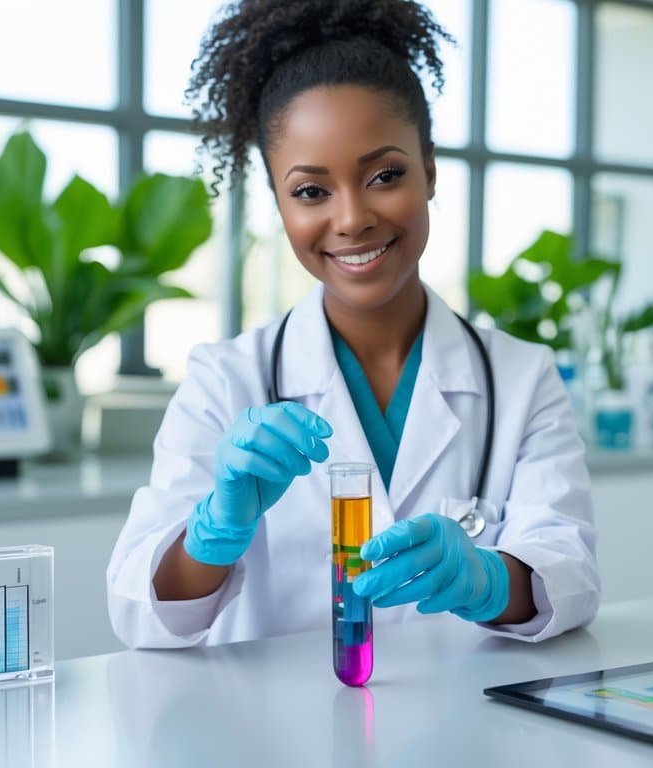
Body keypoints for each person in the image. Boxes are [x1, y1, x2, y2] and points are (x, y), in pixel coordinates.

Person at [106, 0, 598, 648]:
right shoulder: (226, 380)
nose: (351, 219)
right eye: (311, 191)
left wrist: (484, 579)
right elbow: (141, 612)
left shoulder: (518, 377)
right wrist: (212, 533)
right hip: (274, 741)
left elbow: (569, 576)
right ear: (279, 201)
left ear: (429, 169)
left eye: (384, 176)